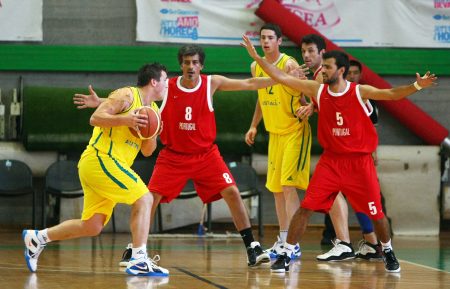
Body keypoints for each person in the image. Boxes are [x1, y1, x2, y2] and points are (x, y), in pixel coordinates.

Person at [242, 34, 437, 273]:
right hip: (332, 162)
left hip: (359, 162)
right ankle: (287, 252)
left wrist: (417, 86)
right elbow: (279, 76)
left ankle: (386, 249)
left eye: (327, 67)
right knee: (306, 208)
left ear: (341, 70)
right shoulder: (318, 90)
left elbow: (392, 94)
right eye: (323, 66)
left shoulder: (359, 91)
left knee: (376, 214)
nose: (322, 70)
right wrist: (255, 57)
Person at [74, 44, 272, 267]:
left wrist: (282, 79)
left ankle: (252, 247)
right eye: (186, 62)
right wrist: (100, 102)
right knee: (150, 199)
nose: (191, 66)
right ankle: (134, 249)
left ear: (201, 65)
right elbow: (140, 101)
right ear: (181, 65)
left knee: (232, 192)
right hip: (173, 156)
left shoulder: (211, 83)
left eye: (195, 62)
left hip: (206, 155)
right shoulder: (166, 86)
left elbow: (250, 83)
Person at [23, 63, 170, 277]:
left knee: (92, 226)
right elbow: (95, 118)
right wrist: (126, 120)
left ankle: (38, 238)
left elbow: (148, 152)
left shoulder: (154, 111)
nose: (168, 84)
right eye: (165, 80)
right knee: (144, 198)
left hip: (107, 167)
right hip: (101, 158)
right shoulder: (126, 94)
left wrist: (151, 133)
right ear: (154, 81)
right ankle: (138, 259)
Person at [244, 23, 312, 260]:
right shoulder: (256, 66)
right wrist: (253, 125)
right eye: (262, 37)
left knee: (287, 186)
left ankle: (293, 244)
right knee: (275, 190)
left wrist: (311, 107)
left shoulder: (289, 64)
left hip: (294, 130)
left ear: (279, 41)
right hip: (275, 134)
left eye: (270, 37)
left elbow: (306, 95)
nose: (265, 41)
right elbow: (261, 99)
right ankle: (283, 239)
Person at [300, 34, 355, 262]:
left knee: (350, 195)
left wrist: (311, 106)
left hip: (348, 142)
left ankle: (349, 243)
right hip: (337, 143)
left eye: (311, 51)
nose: (306, 55)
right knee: (340, 193)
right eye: (304, 51)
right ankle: (355, 244)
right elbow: (321, 104)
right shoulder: (316, 77)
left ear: (323, 53)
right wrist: (310, 105)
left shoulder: (327, 76)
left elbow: (334, 103)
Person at [346, 59, 383, 260]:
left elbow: (372, 127)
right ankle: (369, 242)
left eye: (355, 73)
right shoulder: (337, 93)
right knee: (346, 199)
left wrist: (373, 152)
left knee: (365, 200)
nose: (352, 76)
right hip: (342, 155)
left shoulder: (365, 95)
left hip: (358, 155)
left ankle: (375, 243)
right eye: (348, 72)